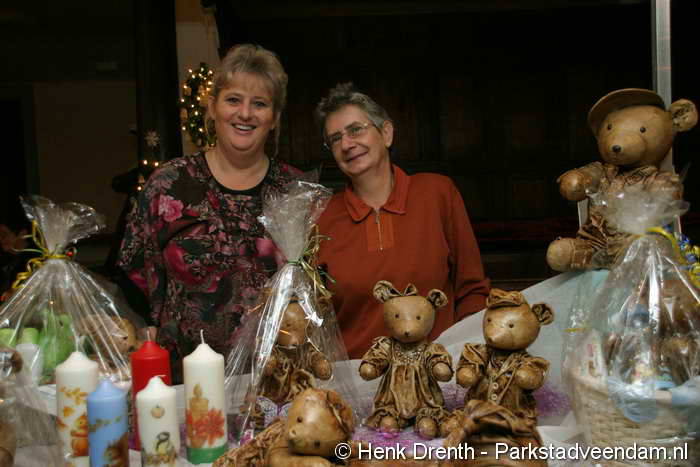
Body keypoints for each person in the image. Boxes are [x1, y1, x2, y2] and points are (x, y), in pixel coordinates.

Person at [118, 44, 301, 381]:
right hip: (187, 382)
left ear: (274, 118)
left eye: (259, 104)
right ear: (213, 107)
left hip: (276, 381)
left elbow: (315, 290)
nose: (245, 113)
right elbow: (133, 272)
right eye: (233, 99)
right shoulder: (169, 184)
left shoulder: (296, 191)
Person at [315, 82, 490, 359]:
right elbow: (316, 317)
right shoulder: (321, 217)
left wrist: (467, 357)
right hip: (357, 376)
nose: (347, 144)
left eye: (356, 129)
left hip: (438, 370)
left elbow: (472, 289)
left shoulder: (437, 193)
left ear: (386, 133)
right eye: (335, 139)